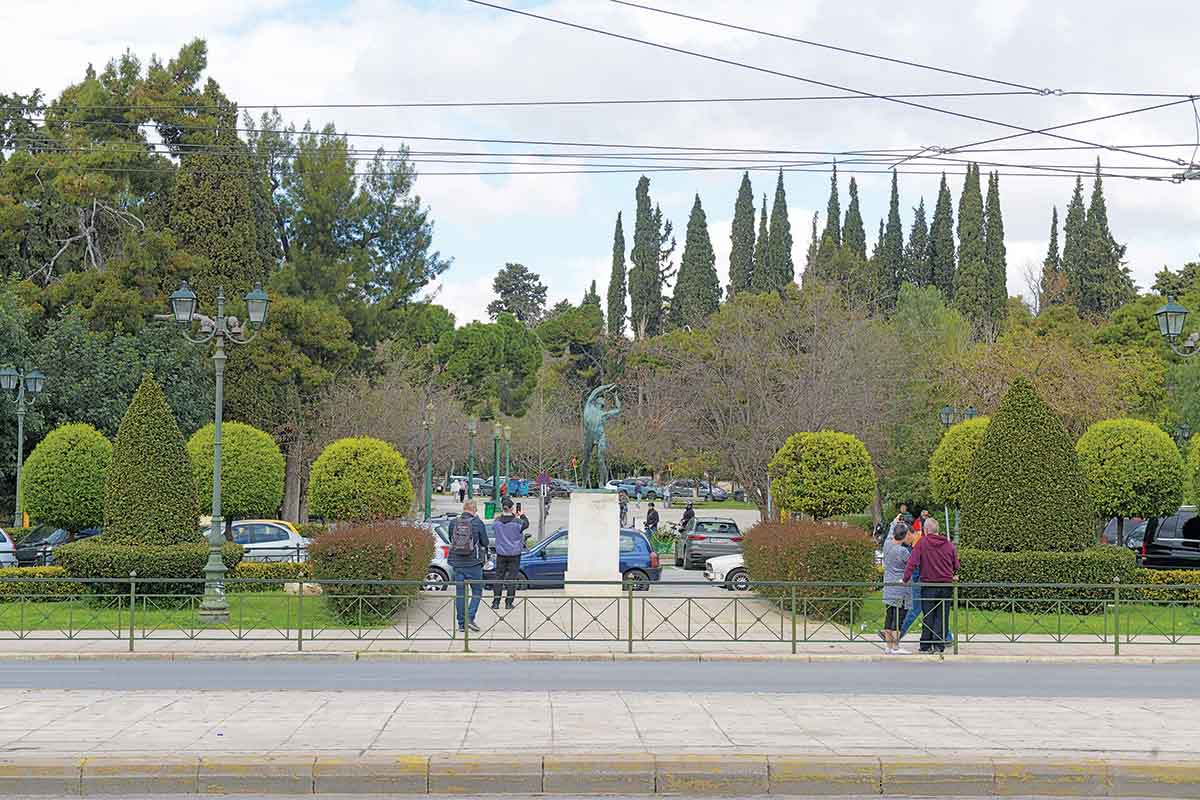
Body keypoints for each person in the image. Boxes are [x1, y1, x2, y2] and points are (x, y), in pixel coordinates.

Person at [903, 517, 959, 654]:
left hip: (928, 585)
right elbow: (956, 565)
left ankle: (926, 644)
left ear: (926, 530)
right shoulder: (948, 544)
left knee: (928, 614)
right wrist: (952, 572)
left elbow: (912, 562)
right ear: (937, 530)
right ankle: (939, 645)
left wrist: (905, 579)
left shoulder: (922, 543)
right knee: (942, 615)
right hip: (945, 585)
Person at [449, 500, 489, 632]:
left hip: (457, 563)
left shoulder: (454, 522)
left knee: (460, 594)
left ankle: (461, 624)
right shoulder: (477, 523)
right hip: (474, 564)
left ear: (464, 508)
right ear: (474, 510)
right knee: (477, 591)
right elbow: (485, 542)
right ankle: (470, 618)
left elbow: (451, 539)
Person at [881, 523, 912, 654]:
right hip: (900, 590)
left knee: (889, 617)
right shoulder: (903, 551)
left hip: (888, 587)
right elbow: (911, 564)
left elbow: (889, 533)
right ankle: (895, 646)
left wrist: (895, 522)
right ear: (904, 536)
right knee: (898, 619)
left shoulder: (887, 545)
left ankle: (888, 646)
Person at [491, 497, 524, 610]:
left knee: (498, 577)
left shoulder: (497, 521)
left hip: (501, 553)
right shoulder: (518, 522)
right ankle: (509, 603)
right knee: (512, 578)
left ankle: (496, 602)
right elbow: (526, 524)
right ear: (511, 508)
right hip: (514, 554)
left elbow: (493, 528)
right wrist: (521, 515)